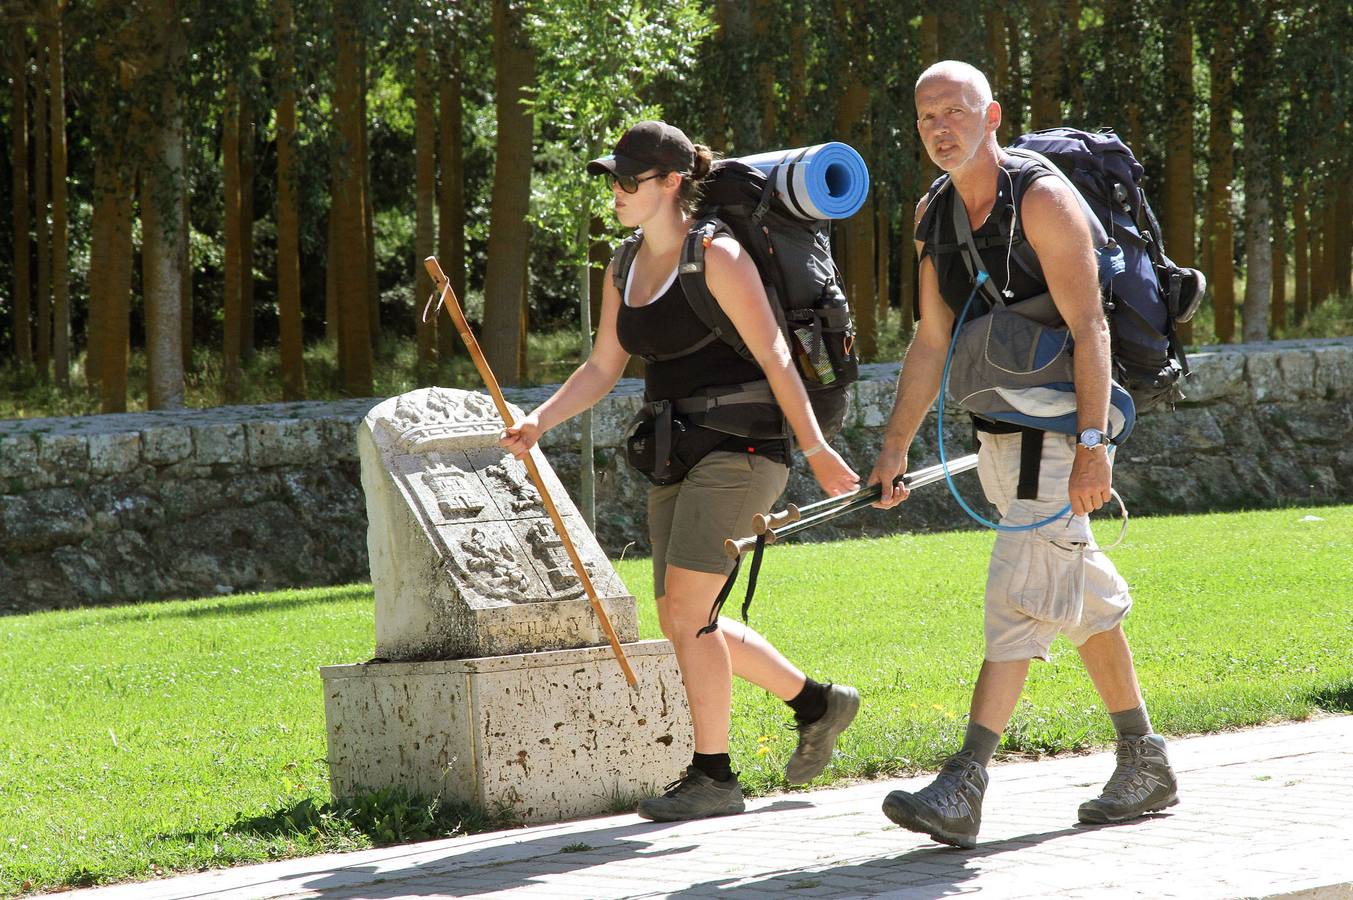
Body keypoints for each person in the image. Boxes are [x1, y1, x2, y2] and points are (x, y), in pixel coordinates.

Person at [500, 120, 862, 822]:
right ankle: (817, 703)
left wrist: (816, 450)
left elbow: (777, 357)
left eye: (628, 179)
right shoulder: (622, 262)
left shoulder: (717, 255)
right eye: (611, 178)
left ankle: (714, 777)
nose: (615, 191)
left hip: (746, 447)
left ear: (672, 183)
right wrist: (541, 419)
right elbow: (604, 364)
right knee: (680, 615)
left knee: (687, 611)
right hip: (674, 451)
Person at [867, 62, 1178, 848]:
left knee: (1017, 592)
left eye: (955, 110)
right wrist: (894, 445)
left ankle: (963, 782)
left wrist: (1090, 445)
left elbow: (1089, 328)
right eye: (926, 115)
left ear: (992, 114)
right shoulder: (933, 213)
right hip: (998, 428)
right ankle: (1143, 758)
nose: (941, 127)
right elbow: (931, 339)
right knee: (1076, 589)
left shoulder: (1040, 199)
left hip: (1062, 428)